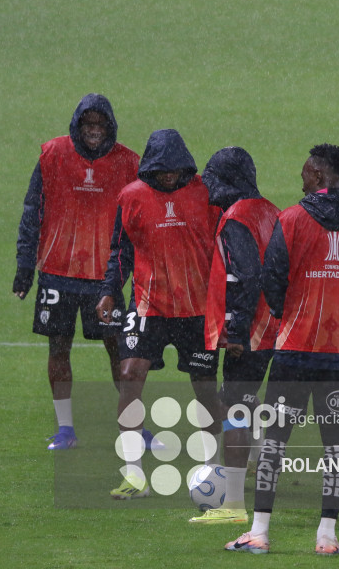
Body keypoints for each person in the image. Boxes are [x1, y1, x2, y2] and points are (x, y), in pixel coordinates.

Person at [225, 143, 339, 555]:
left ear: (319, 175)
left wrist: (291, 315)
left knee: (275, 441)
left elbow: (272, 279)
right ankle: (326, 538)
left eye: (304, 172)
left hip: (295, 350)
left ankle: (260, 532)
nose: (300, 179)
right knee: (335, 442)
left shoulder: (292, 218)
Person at [96, 128, 223, 500]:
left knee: (204, 387)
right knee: (129, 373)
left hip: (196, 309)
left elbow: (225, 246)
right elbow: (120, 251)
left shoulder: (206, 193)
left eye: (175, 169)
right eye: (161, 170)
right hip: (147, 307)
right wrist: (108, 291)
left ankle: (217, 467)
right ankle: (133, 475)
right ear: (150, 167)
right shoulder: (131, 197)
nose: (168, 176)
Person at [13, 93, 138, 450]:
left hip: (106, 277)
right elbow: (32, 212)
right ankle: (65, 430)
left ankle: (133, 430)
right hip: (57, 273)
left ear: (109, 127)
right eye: (88, 124)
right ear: (78, 125)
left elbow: (140, 218)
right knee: (58, 348)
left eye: (100, 125)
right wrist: (25, 268)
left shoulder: (129, 162)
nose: (94, 131)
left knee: (120, 351)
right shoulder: (52, 155)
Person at [187, 147, 280, 524]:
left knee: (234, 407)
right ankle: (261, 455)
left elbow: (246, 276)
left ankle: (233, 505)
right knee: (242, 399)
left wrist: (237, 330)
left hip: (252, 330)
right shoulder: (270, 210)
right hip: (275, 324)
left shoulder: (236, 220)